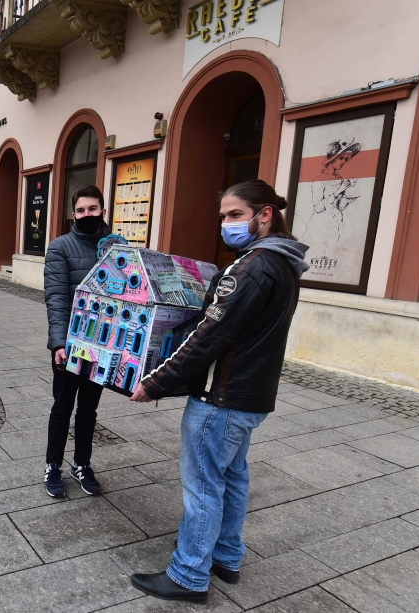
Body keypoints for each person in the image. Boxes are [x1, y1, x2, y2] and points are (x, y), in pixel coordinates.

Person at [128, 180, 309, 604]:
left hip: (222, 398)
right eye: (223, 216)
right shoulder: (283, 264)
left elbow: (210, 335)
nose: (225, 225)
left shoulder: (251, 267)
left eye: (234, 215)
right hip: (251, 397)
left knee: (204, 485)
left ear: (264, 215)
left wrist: (155, 383)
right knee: (233, 476)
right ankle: (226, 556)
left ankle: (189, 574)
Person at [43, 184, 111, 498]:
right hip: (70, 345)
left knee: (89, 411)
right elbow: (56, 298)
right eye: (81, 210)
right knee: (63, 407)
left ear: (103, 212)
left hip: (102, 346)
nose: (86, 215)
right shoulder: (59, 247)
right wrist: (58, 343)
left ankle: (82, 463)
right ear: (73, 214)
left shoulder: (116, 249)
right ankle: (52, 465)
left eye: (92, 209)